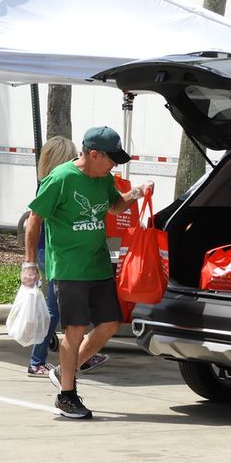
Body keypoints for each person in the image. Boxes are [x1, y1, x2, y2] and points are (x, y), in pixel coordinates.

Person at [21, 126, 151, 419]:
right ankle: (66, 395)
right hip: (69, 268)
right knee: (75, 330)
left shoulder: (103, 178)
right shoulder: (61, 178)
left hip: (98, 265)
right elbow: (34, 220)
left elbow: (115, 206)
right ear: (93, 154)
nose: (114, 165)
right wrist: (29, 263)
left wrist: (136, 193)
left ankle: (64, 371)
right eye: (111, 159)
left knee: (109, 325)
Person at [26, 136, 109, 377]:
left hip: (51, 252)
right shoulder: (58, 182)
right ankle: (37, 361)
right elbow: (35, 221)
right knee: (55, 310)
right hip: (52, 253)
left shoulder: (54, 181)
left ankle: (81, 356)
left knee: (70, 310)